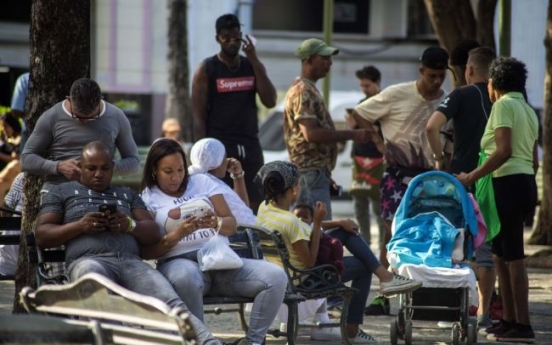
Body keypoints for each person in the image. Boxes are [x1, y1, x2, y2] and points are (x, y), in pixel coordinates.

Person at [35, 141, 229, 345]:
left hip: (130, 262)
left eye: (105, 168)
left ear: (112, 168)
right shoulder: (62, 192)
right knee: (94, 283)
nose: (99, 174)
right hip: (88, 260)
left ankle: (208, 342)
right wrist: (80, 226)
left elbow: (153, 233)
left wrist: (129, 225)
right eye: (91, 168)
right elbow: (42, 235)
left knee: (169, 300)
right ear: (80, 167)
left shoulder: (126, 194)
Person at [255, 161, 422, 344]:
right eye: (299, 184)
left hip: (286, 273)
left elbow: (301, 229)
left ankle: (385, 277)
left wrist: (337, 223)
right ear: (293, 190)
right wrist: (318, 222)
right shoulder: (291, 223)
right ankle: (352, 328)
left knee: (345, 231)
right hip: (305, 279)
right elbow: (310, 262)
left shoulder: (265, 209)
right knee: (364, 267)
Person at [140, 138, 287, 345]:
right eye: (168, 171)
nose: (176, 177)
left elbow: (231, 225)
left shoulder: (201, 182)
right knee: (185, 276)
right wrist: (178, 234)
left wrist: (215, 221)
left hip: (220, 260)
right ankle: (201, 341)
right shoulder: (148, 198)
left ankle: (254, 341)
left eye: (181, 170)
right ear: (154, 170)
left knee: (276, 277)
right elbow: (148, 251)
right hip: (179, 263)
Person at [351, 46, 450, 314]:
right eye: (431, 75)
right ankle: (385, 296)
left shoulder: (448, 102)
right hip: (396, 176)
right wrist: (377, 140)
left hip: (430, 179)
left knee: (429, 235)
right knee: (391, 234)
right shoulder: (397, 93)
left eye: (441, 76)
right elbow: (358, 113)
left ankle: (427, 294)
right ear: (421, 71)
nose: (437, 81)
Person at [457, 57, 538, 343]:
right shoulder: (527, 109)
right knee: (500, 256)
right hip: (523, 182)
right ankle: (509, 320)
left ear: (493, 84)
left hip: (508, 183)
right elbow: (533, 156)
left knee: (513, 257)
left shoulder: (503, 105)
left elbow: (503, 150)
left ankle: (523, 326)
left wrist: (473, 176)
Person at [426, 46, 498, 329]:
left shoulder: (459, 94)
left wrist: (439, 157)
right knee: (486, 249)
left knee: (455, 244)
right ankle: (484, 313)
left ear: (468, 70)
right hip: (493, 179)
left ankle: (452, 310)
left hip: (460, 179)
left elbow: (432, 127)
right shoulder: (501, 98)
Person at [192, 13, 276, 215]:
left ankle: (252, 241)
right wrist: (202, 157)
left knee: (256, 198)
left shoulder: (251, 66)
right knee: (221, 201)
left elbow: (270, 100)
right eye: (225, 37)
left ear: (242, 36)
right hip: (220, 145)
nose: (231, 41)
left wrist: (254, 59)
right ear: (217, 39)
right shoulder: (207, 69)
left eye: (236, 36)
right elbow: (198, 115)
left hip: (249, 142)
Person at [283, 38, 371, 219]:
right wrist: (353, 134)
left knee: (315, 231)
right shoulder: (303, 91)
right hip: (309, 172)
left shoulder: (308, 89)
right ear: (308, 60)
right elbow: (311, 134)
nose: (329, 63)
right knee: (320, 231)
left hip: (314, 172)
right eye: (324, 58)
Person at [20, 78, 140, 192]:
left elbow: (134, 163)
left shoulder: (117, 116)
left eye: (93, 117)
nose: (84, 121)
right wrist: (58, 166)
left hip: (99, 193)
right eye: (77, 116)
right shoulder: (52, 117)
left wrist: (106, 168)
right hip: (58, 189)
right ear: (69, 99)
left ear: (100, 99)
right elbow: (26, 159)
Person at [345, 65, 385, 249]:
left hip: (380, 161)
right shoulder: (361, 105)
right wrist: (353, 126)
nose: (364, 89)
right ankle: (365, 242)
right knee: (359, 205)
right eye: (362, 85)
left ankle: (384, 244)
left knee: (379, 207)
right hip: (360, 160)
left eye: (367, 85)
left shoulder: (385, 103)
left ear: (377, 82)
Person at [188, 137, 256, 224]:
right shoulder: (214, 186)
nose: (227, 161)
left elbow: (244, 208)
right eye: (224, 157)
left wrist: (238, 176)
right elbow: (247, 220)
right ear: (218, 161)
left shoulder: (193, 180)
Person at [0, 172, 24, 276]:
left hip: (8, 266)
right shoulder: (72, 181)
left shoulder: (23, 177)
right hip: (49, 269)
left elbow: (5, 212)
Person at [0, 113, 22, 202]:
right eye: (2, 127)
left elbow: (16, 159)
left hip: (10, 176)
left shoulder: (20, 140)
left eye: (6, 126)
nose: (4, 130)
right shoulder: (6, 140)